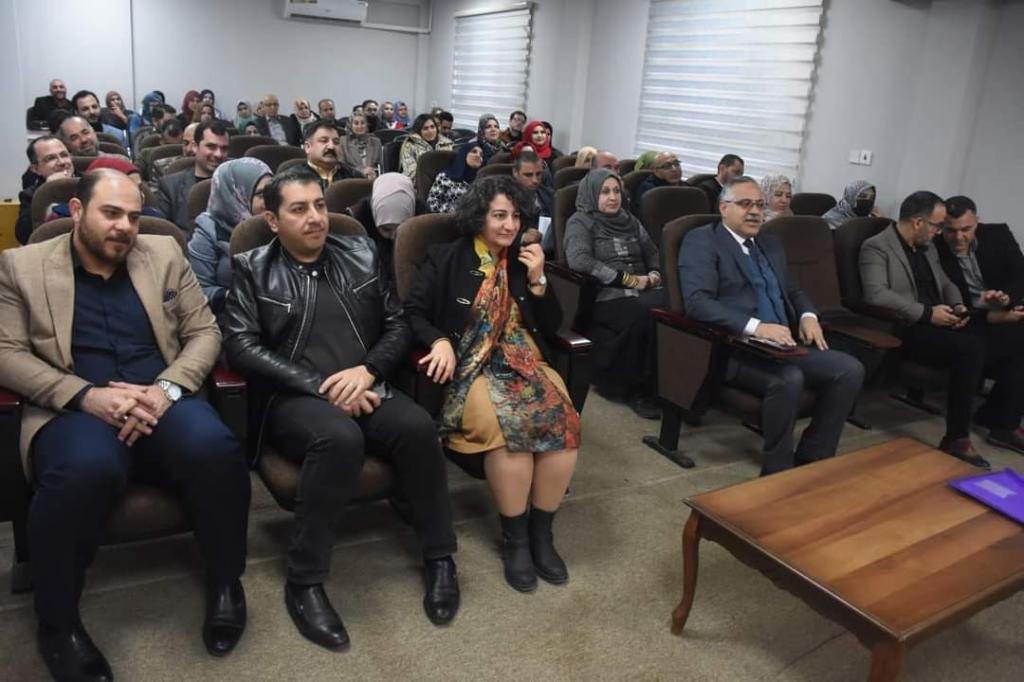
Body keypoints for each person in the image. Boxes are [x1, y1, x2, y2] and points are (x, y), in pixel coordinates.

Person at [0, 169, 251, 680]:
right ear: (76, 211)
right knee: (84, 470)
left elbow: (205, 332)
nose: (124, 227)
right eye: (111, 213)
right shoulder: (21, 266)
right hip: (75, 405)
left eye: (134, 216)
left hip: (162, 395)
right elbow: (6, 353)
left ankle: (226, 581)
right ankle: (58, 622)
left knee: (217, 450)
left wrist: (167, 389)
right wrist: (86, 396)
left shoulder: (164, 253)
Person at [223, 165, 460, 648]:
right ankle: (305, 580)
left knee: (418, 428)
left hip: (366, 384)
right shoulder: (252, 267)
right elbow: (241, 346)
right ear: (272, 221)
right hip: (295, 397)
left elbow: (397, 324)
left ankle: (439, 556)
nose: (315, 217)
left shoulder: (361, 251)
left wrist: (367, 372)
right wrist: (322, 387)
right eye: (298, 209)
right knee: (339, 438)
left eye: (319, 205)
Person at [404, 175, 580, 592]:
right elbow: (412, 312)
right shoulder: (447, 257)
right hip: (472, 364)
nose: (509, 225)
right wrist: (439, 340)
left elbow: (553, 325)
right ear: (478, 216)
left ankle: (541, 534)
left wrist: (538, 280)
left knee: (564, 422)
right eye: (499, 215)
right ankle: (515, 539)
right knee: (508, 432)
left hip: (526, 359)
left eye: (516, 216)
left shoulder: (522, 260)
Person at [681, 176, 865, 475]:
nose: (755, 211)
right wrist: (756, 327)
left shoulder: (769, 242)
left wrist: (808, 316)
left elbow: (792, 289)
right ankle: (777, 467)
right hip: (738, 348)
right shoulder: (703, 240)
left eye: (759, 205)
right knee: (789, 378)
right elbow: (698, 302)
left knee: (850, 369)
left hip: (784, 344)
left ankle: (814, 455)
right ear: (724, 208)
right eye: (745, 204)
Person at [859, 191, 990, 467]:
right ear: (918, 222)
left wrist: (957, 306)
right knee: (970, 348)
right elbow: (876, 294)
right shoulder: (876, 246)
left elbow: (946, 283)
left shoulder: (927, 248)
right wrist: (928, 314)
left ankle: (995, 414)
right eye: (937, 226)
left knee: (991, 334)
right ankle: (957, 437)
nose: (939, 232)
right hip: (907, 326)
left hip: (940, 319)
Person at [564, 169, 665, 418]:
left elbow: (653, 252)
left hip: (645, 289)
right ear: (591, 195)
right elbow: (580, 260)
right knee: (643, 316)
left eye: (616, 191)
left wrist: (655, 272)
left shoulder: (629, 220)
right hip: (605, 295)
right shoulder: (581, 221)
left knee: (675, 313)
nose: (612, 197)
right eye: (605, 192)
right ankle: (634, 389)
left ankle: (673, 389)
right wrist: (630, 280)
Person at [933, 195, 1024, 453]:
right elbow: (942, 298)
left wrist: (1006, 299)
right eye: (950, 230)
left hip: (1001, 312)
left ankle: (1000, 419)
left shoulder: (998, 235)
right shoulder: (933, 249)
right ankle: (1001, 423)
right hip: (966, 318)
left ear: (977, 223)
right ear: (941, 228)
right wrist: (984, 311)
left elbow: (1021, 274)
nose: (959, 237)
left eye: (966, 229)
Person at [188, 158, 272, 320]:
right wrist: (237, 297)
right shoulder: (208, 231)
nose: (270, 200)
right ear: (237, 195)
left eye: (272, 191)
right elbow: (197, 291)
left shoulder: (281, 222)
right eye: (261, 194)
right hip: (230, 317)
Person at [157, 120, 230, 232]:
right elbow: (164, 233)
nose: (219, 154)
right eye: (211, 147)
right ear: (195, 147)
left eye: (224, 149)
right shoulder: (170, 186)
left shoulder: (236, 184)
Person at [15, 136, 74, 244]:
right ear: (36, 169)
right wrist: (48, 189)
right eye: (51, 158)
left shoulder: (89, 182)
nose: (62, 162)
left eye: (64, 155)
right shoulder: (30, 194)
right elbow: (24, 236)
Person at [512, 150, 555, 255]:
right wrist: (522, 237)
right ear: (515, 173)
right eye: (528, 175)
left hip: (550, 252)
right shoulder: (506, 198)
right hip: (518, 253)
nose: (535, 180)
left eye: (539, 174)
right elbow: (493, 232)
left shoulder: (551, 194)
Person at [304, 119, 365, 189]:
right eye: (324, 141)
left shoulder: (355, 177)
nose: (331, 146)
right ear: (307, 147)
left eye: (336, 142)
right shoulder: (295, 178)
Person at [427, 143, 483, 213]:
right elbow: (432, 202)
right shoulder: (446, 177)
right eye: (474, 152)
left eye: (481, 155)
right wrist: (456, 211)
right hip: (450, 217)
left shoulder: (482, 180)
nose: (478, 155)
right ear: (464, 154)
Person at [399, 113, 454, 180]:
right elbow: (411, 173)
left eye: (432, 127)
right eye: (425, 128)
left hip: (443, 181)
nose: (430, 131)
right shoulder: (410, 145)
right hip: (418, 183)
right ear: (418, 131)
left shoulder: (446, 143)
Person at [337, 113, 381, 180]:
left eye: (362, 123)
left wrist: (374, 172)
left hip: (373, 179)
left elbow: (380, 165)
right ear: (351, 126)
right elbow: (341, 166)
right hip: (351, 179)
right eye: (356, 123)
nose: (360, 126)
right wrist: (360, 171)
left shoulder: (376, 142)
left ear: (367, 125)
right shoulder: (343, 141)